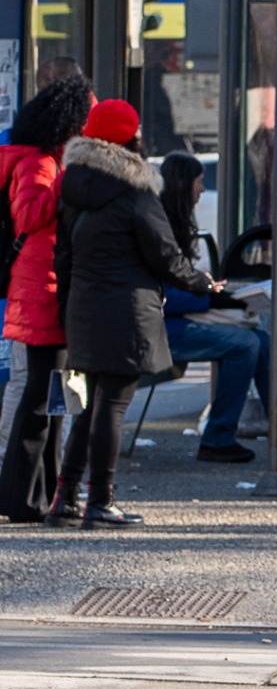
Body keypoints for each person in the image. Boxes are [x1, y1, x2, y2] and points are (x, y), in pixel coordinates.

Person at [50, 98, 209, 528]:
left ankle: (65, 498)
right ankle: (101, 500)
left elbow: (62, 258)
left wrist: (67, 312)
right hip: (126, 312)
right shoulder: (136, 192)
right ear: (129, 139)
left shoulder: (73, 188)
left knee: (91, 406)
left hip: (83, 308)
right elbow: (165, 256)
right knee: (113, 406)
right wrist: (203, 283)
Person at [0, 75, 93, 520]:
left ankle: (37, 492)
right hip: (40, 291)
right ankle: (22, 496)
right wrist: (66, 179)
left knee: (50, 397)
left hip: (44, 288)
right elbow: (30, 215)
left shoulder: (44, 159)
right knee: (40, 397)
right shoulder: (39, 164)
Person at [156, 152, 268, 467]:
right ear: (183, 185)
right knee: (246, 344)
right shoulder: (160, 226)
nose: (203, 189)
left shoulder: (170, 224)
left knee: (261, 340)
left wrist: (206, 289)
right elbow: (164, 294)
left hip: (170, 320)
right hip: (159, 327)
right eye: (199, 181)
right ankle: (218, 437)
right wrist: (208, 295)